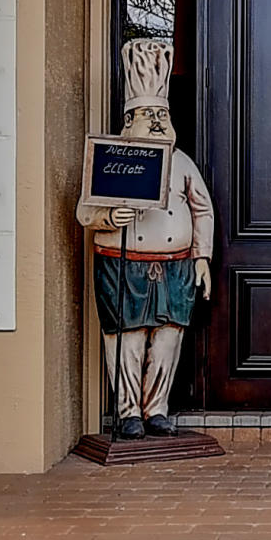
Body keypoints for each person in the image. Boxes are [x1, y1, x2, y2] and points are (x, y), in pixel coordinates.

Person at [78, 37, 214, 437]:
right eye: (147, 114)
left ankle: (157, 409)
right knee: (127, 342)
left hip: (175, 269)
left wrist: (201, 259)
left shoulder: (183, 163)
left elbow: (202, 210)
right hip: (122, 267)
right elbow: (84, 212)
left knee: (168, 341)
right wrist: (108, 215)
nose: (156, 121)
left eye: (161, 114)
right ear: (128, 122)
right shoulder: (111, 160)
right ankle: (128, 413)